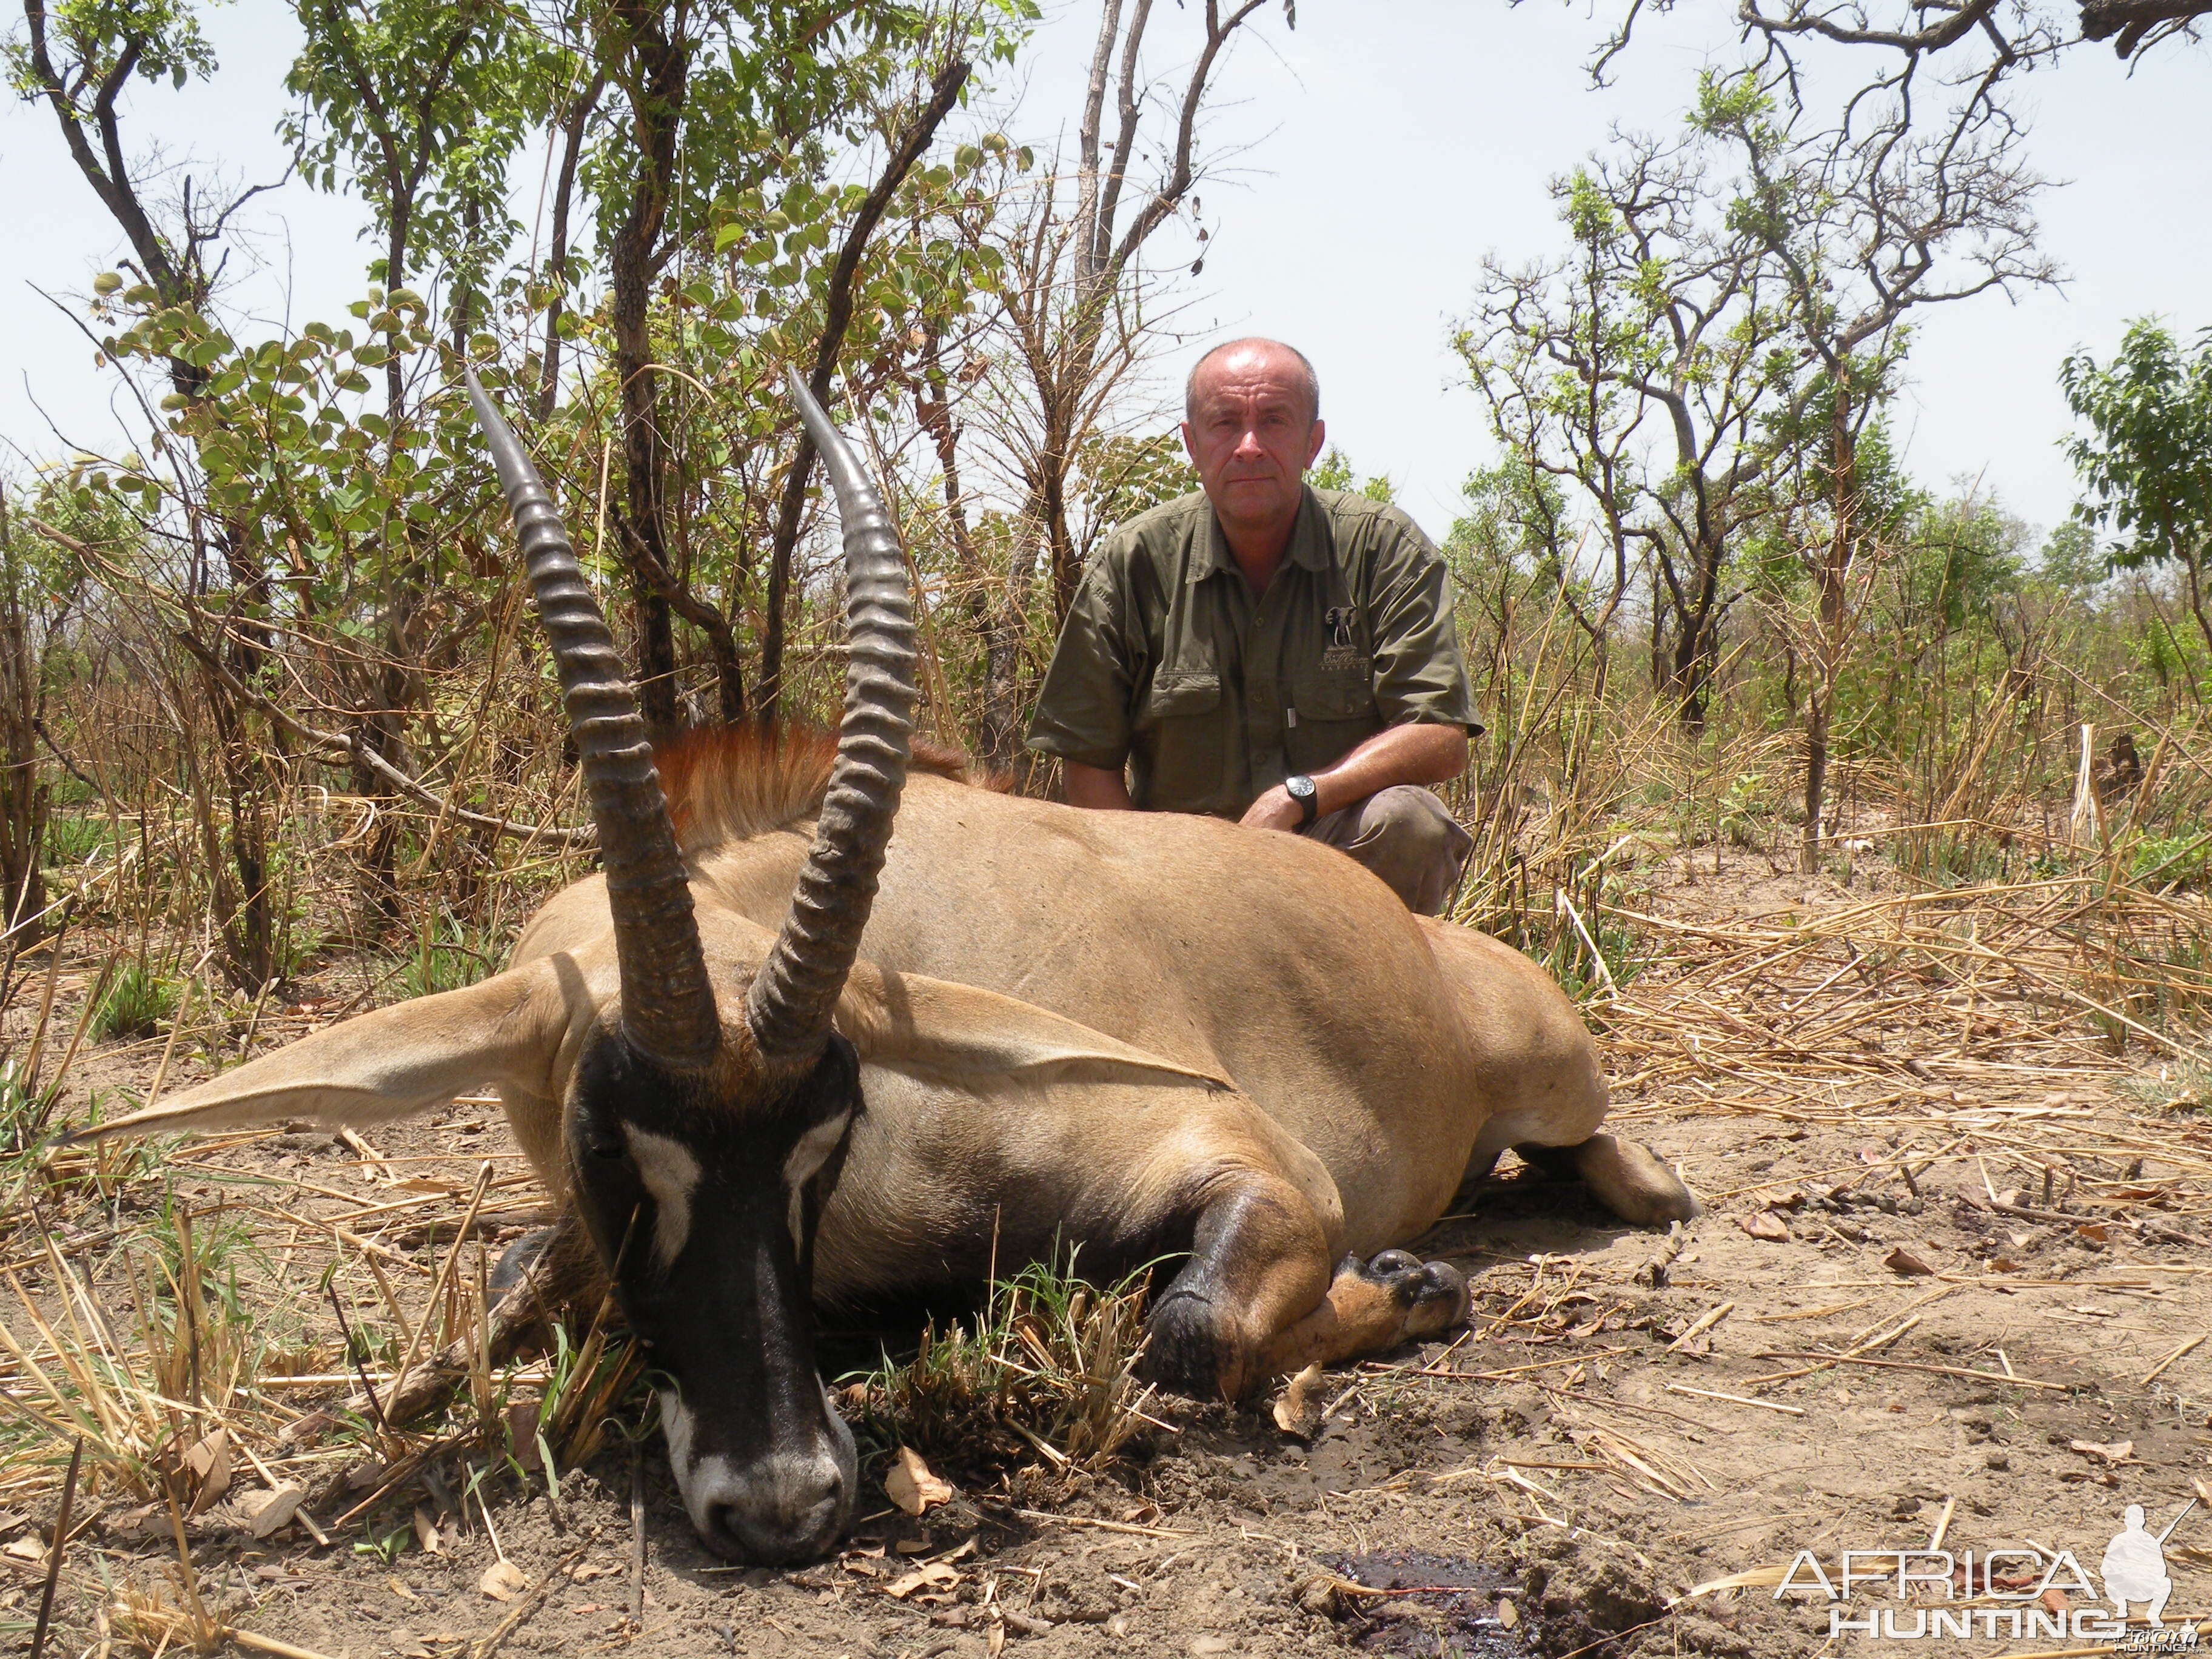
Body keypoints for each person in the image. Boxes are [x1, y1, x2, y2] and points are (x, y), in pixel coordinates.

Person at [1025, 337, 1480, 915]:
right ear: (1192, 444)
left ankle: (1377, 1002)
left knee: (1410, 822)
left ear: (1313, 442)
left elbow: (1439, 736)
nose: (1248, 447)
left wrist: (1299, 799)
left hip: (1333, 858)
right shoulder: (1134, 560)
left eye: (1273, 421)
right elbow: (1088, 762)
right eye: (1224, 424)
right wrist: (1142, 887)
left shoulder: (1381, 547)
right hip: (1180, 874)